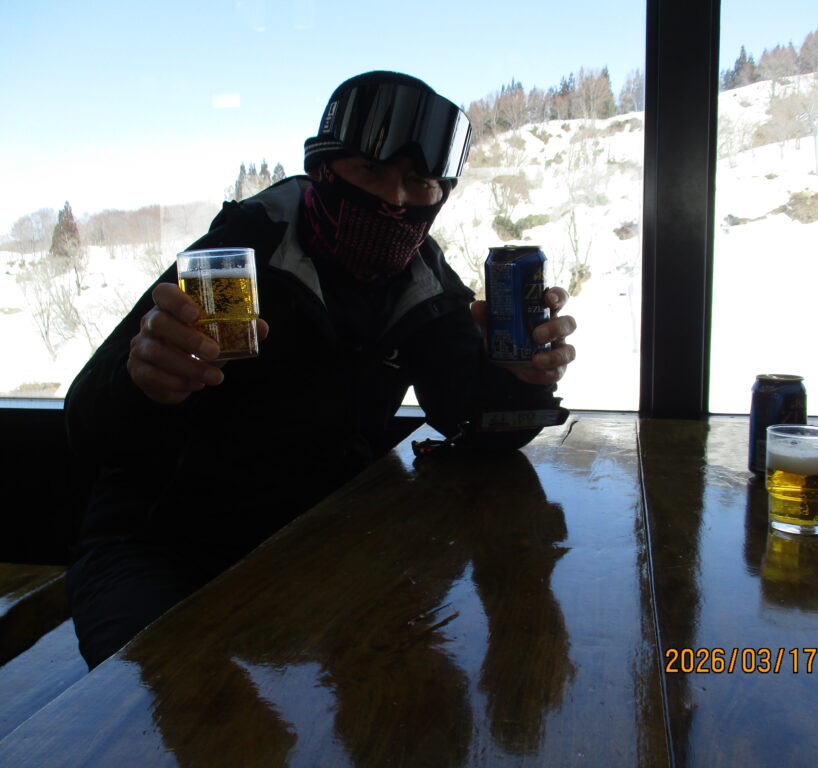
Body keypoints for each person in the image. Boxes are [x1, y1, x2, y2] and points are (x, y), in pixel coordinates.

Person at [64, 70, 577, 669]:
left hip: (315, 534)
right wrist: (144, 380)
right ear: (323, 167)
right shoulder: (242, 253)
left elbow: (469, 415)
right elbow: (87, 425)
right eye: (370, 170)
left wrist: (520, 379)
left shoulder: (422, 280)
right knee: (148, 707)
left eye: (418, 182)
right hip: (159, 542)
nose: (394, 200)